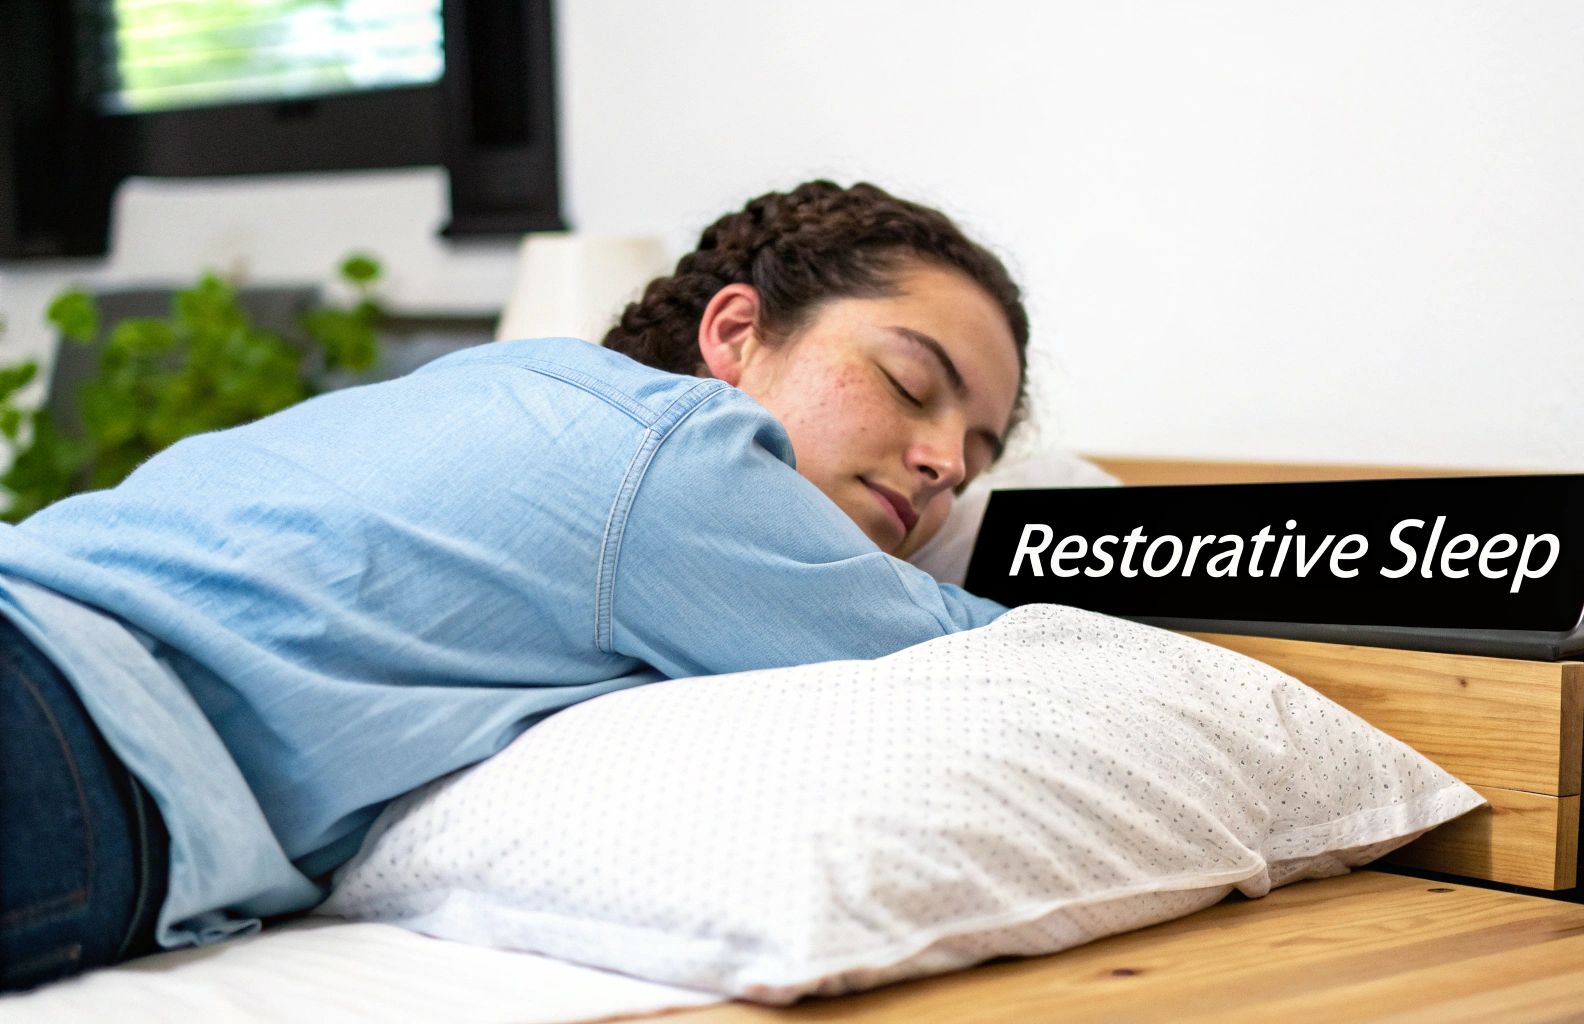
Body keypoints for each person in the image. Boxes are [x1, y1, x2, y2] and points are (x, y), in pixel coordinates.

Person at [0, 180, 1030, 992]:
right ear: (733, 333)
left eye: (975, 459)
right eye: (908, 383)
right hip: (73, 722)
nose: (942, 460)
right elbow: (991, 655)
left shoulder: (509, 386)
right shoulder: (684, 456)